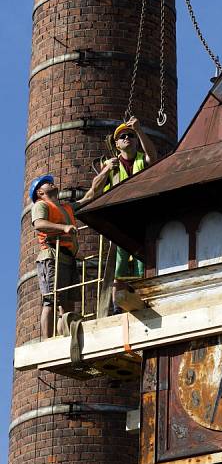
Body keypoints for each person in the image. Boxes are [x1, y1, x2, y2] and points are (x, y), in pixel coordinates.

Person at [94, 116, 157, 307]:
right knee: (119, 267)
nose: (127, 138)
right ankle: (115, 307)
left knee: (142, 263)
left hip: (141, 218)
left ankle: (143, 300)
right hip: (120, 221)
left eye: (130, 135)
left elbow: (153, 157)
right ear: (116, 144)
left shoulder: (140, 159)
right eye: (123, 136)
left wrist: (139, 130)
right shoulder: (111, 166)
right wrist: (105, 172)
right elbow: (95, 190)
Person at [30, 174, 95, 339]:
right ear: (39, 192)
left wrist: (105, 171)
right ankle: (48, 341)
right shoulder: (41, 205)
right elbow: (39, 224)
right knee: (51, 300)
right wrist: (63, 227)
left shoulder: (65, 207)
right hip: (51, 255)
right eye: (46, 183)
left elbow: (90, 196)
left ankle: (65, 338)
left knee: (67, 303)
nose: (51, 184)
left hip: (68, 258)